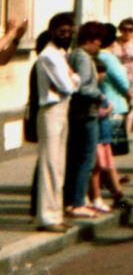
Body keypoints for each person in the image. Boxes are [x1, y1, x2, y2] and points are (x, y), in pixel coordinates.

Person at [33, 13, 78, 232]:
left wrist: (72, 78)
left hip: (62, 109)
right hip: (51, 110)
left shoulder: (61, 55)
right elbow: (68, 86)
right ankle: (47, 217)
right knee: (50, 164)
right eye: (62, 32)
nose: (66, 36)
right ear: (52, 32)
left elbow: (71, 83)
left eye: (70, 32)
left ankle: (56, 214)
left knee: (59, 165)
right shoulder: (49, 56)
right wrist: (72, 77)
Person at [64, 22, 107, 219]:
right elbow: (81, 86)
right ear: (90, 39)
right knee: (86, 159)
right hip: (86, 112)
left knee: (75, 158)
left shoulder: (74, 55)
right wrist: (100, 95)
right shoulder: (82, 57)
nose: (100, 45)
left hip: (77, 113)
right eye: (98, 40)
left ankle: (72, 199)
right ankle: (78, 201)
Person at [92, 24, 132, 211]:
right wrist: (130, 95)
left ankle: (109, 191)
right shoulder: (107, 58)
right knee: (104, 155)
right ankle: (114, 193)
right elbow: (122, 80)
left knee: (104, 155)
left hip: (105, 108)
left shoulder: (96, 57)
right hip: (111, 108)